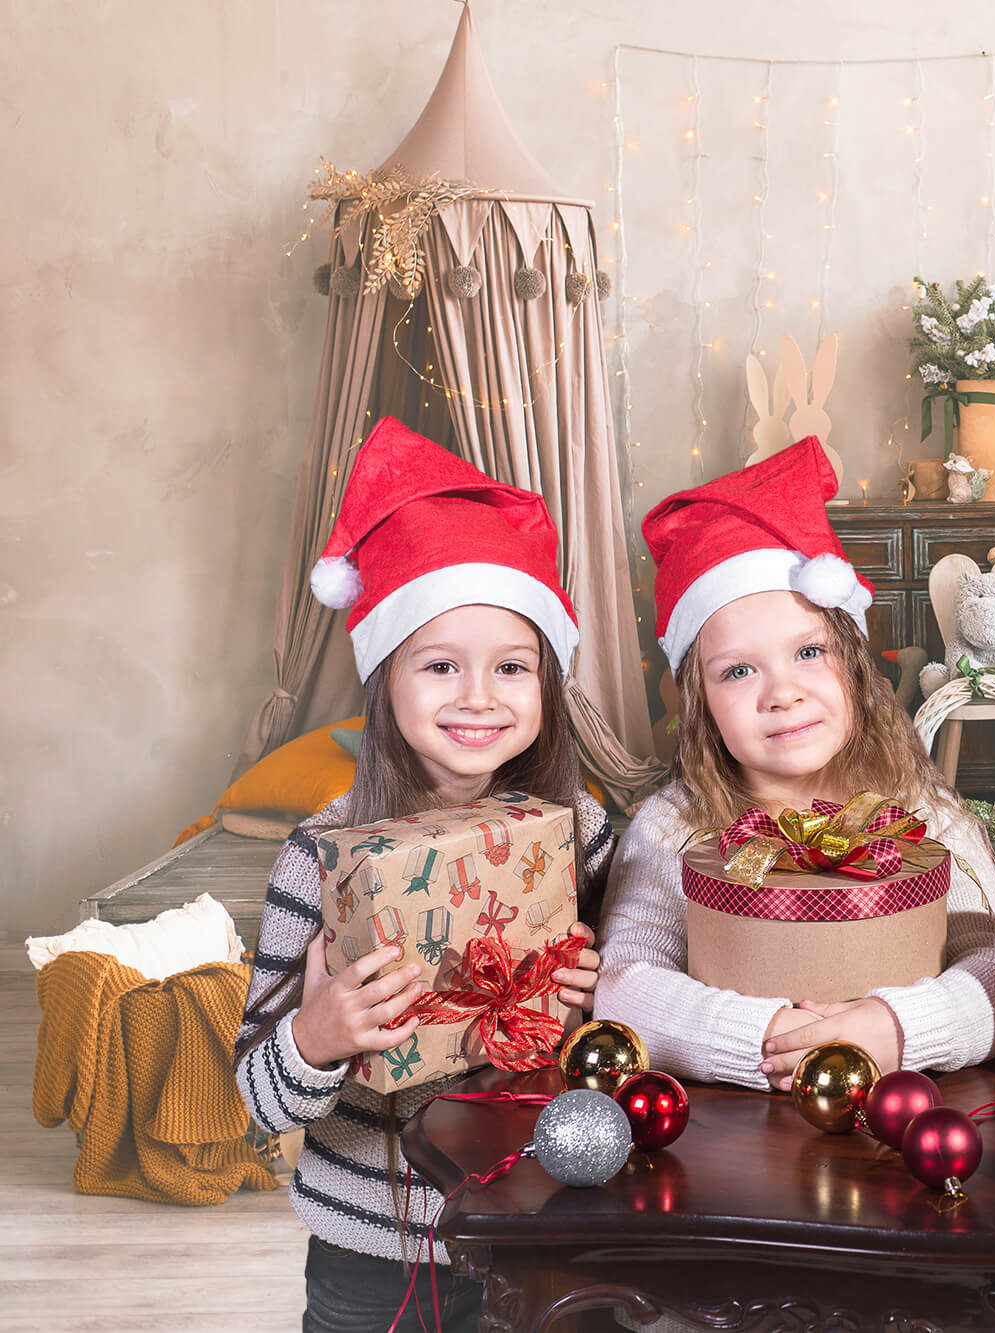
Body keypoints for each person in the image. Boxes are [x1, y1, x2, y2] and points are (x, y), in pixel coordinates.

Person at [234, 419, 611, 1333]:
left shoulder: (588, 836)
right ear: (385, 681)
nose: (478, 696)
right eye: (440, 665)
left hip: (558, 1227)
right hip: (374, 1252)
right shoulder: (319, 856)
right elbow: (250, 1095)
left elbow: (632, 1029)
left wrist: (593, 1005)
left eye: (511, 667)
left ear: (548, 685)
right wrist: (315, 1037)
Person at [595, 438, 995, 1091]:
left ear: (853, 660)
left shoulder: (921, 809)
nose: (782, 692)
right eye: (738, 670)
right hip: (728, 1146)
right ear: (699, 701)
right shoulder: (670, 828)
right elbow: (624, 987)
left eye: (808, 652)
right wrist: (773, 1037)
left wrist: (896, 1026)